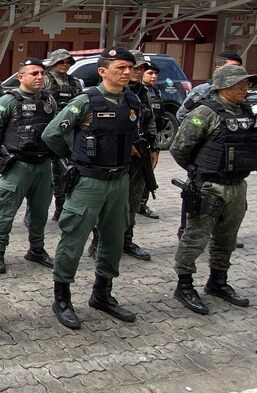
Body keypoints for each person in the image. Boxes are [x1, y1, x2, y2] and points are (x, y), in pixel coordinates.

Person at [41, 47, 142, 330]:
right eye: (121, 67)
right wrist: (71, 158)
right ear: (103, 71)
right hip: (89, 182)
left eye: (129, 68)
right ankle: (62, 298)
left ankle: (102, 294)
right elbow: (51, 134)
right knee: (73, 240)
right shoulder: (85, 101)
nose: (127, 72)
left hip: (119, 181)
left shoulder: (133, 101)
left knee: (112, 241)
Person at [168, 64, 257, 314]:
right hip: (209, 187)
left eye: (246, 83)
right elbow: (179, 148)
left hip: (237, 185)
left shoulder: (246, 111)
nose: (244, 88)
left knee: (226, 238)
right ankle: (184, 284)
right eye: (238, 84)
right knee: (195, 237)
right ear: (222, 86)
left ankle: (218, 281)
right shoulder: (205, 112)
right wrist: (199, 171)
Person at [0, 57, 59, 273]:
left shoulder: (49, 100)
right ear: (21, 77)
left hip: (43, 165)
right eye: (34, 73)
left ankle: (36, 249)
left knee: (40, 213)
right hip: (18, 166)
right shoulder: (8, 101)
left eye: (42, 73)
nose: (40, 77)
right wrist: (0, 160)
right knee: (7, 213)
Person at [120, 50, 158, 261]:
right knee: (112, 203)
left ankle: (127, 239)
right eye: (135, 67)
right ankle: (100, 240)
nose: (137, 71)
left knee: (133, 201)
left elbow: (151, 120)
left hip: (140, 154)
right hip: (117, 158)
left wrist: (155, 148)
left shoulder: (143, 93)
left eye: (141, 68)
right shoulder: (115, 92)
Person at [41, 49, 83, 221]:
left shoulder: (75, 83)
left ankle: (61, 208)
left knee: (64, 173)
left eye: (67, 62)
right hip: (48, 133)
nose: (64, 65)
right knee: (43, 178)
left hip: (69, 134)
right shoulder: (44, 80)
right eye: (61, 62)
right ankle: (33, 213)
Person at [136, 61, 165, 220]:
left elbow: (152, 120)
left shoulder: (151, 92)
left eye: (155, 73)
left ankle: (141, 204)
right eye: (150, 73)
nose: (153, 76)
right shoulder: (126, 92)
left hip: (146, 142)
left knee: (146, 175)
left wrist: (155, 147)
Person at [177, 51, 242, 119]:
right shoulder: (204, 90)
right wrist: (202, 126)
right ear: (218, 68)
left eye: (239, 67)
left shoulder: (241, 90)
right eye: (232, 67)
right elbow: (181, 114)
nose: (237, 70)